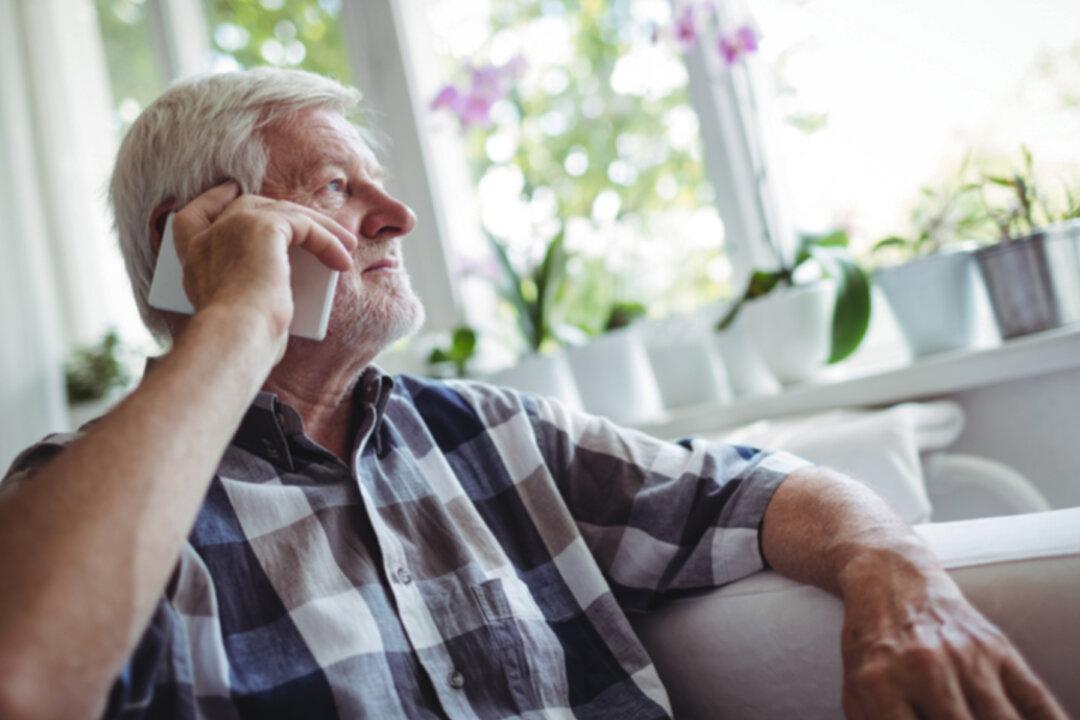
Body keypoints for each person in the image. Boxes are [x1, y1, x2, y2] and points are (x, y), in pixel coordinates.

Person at [0, 68, 1066, 720]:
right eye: (335, 186)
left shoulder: (492, 433)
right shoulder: (80, 498)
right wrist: (237, 320)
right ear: (192, 241)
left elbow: (762, 492)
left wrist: (898, 581)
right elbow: (25, 673)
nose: (399, 216)